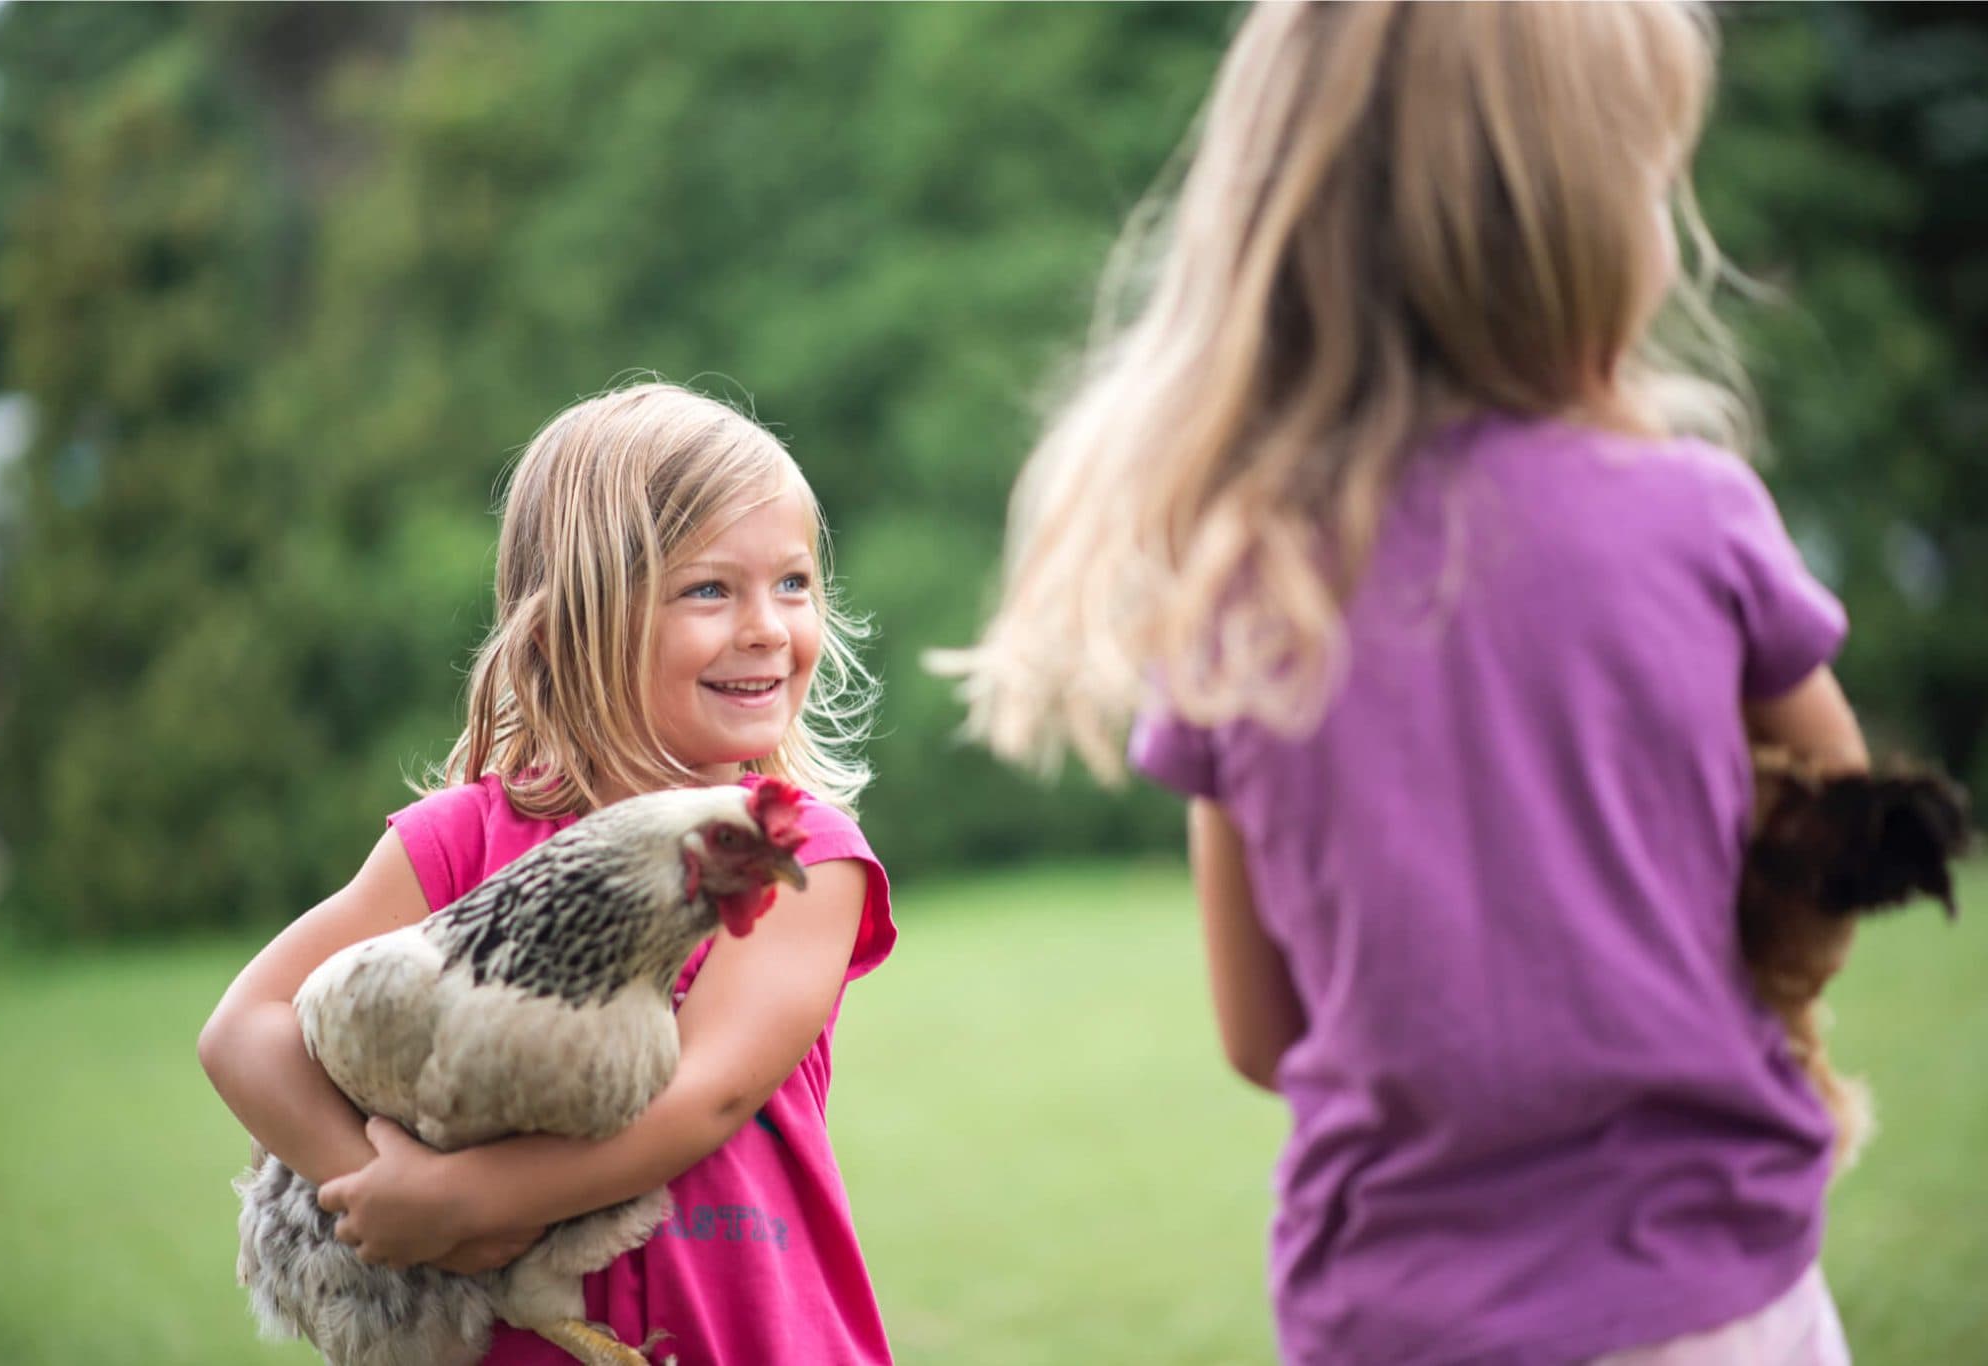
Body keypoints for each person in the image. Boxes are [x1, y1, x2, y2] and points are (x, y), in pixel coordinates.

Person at [941, 3, 1865, 1363]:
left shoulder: (1245, 598)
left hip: (1393, 1313)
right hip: (1711, 1288)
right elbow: (1848, 837)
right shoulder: (1694, 515)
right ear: (1585, 225)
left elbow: (1264, 1034)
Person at [199, 380, 896, 1365]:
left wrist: (464, 1201)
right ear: (580, 618)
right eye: (710, 589)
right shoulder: (456, 841)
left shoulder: (790, 854)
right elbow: (245, 1029)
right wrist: (377, 1190)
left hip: (743, 1341)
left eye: (791, 584)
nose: (766, 628)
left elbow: (703, 1097)